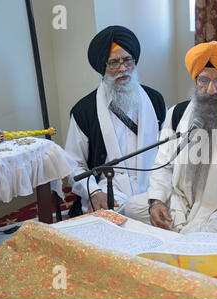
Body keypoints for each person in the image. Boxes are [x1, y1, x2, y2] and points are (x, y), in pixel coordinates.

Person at [124, 41, 217, 235]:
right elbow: (163, 164)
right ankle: (181, 231)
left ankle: (182, 234)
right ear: (196, 80)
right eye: (203, 80)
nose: (211, 89)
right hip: (181, 201)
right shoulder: (177, 113)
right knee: (132, 206)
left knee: (216, 229)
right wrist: (157, 201)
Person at [65, 25, 167, 216]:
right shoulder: (84, 110)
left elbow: (168, 152)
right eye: (113, 63)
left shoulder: (155, 100)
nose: (122, 68)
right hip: (110, 190)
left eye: (127, 60)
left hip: (154, 185)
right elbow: (73, 164)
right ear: (102, 66)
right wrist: (94, 192)